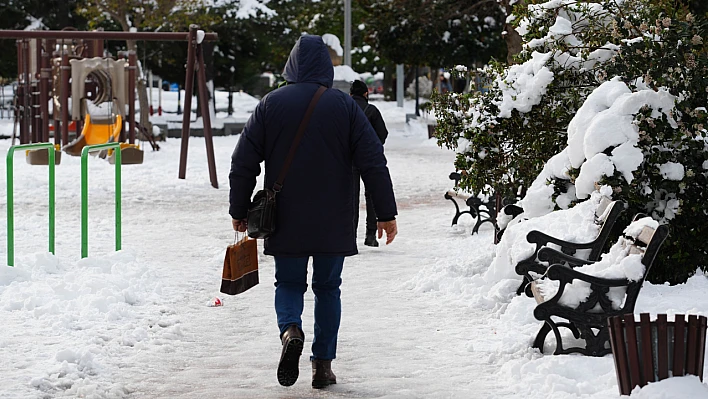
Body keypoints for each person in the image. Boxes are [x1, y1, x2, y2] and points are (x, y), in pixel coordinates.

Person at [229, 35, 398, 389]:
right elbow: (373, 161)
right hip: (334, 216)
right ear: (325, 67)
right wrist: (385, 213)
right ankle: (322, 365)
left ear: (291, 66)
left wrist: (239, 208)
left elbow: (243, 161)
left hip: (285, 214)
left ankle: (290, 328)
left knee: (288, 282)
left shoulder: (270, 104)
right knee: (328, 287)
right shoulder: (345, 106)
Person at [349, 79, 389, 247]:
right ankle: (370, 235)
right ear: (366, 94)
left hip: (348, 160)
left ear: (351, 94)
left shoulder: (345, 109)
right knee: (371, 196)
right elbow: (383, 133)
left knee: (350, 198)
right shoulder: (371, 110)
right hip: (369, 160)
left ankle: (350, 237)